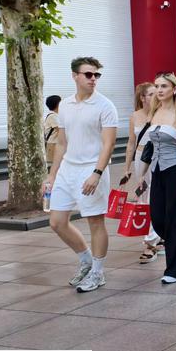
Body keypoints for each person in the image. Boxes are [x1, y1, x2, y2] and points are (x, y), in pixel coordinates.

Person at [43, 57, 118, 293]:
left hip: (91, 168)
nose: (93, 79)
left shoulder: (105, 106)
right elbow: (62, 144)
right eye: (88, 74)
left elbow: (108, 144)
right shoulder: (64, 105)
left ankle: (97, 272)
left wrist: (97, 173)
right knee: (56, 222)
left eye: (96, 75)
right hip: (67, 169)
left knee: (95, 221)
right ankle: (86, 261)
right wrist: (51, 175)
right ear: (75, 75)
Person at [142, 72, 176, 284]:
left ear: (174, 89)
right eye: (157, 86)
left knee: (175, 218)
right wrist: (141, 175)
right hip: (156, 170)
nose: (159, 90)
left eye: (164, 86)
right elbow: (149, 146)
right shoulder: (154, 112)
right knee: (157, 217)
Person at [121, 82, 162, 264]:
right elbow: (131, 143)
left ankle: (156, 237)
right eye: (151, 94)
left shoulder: (162, 115)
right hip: (141, 157)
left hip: (160, 158)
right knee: (144, 198)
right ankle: (150, 242)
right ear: (142, 97)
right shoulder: (135, 117)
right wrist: (127, 168)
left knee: (158, 198)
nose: (156, 96)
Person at [43, 95, 61, 166]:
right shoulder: (52, 116)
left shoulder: (57, 115)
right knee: (54, 165)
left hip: (56, 144)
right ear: (57, 104)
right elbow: (61, 130)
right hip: (53, 144)